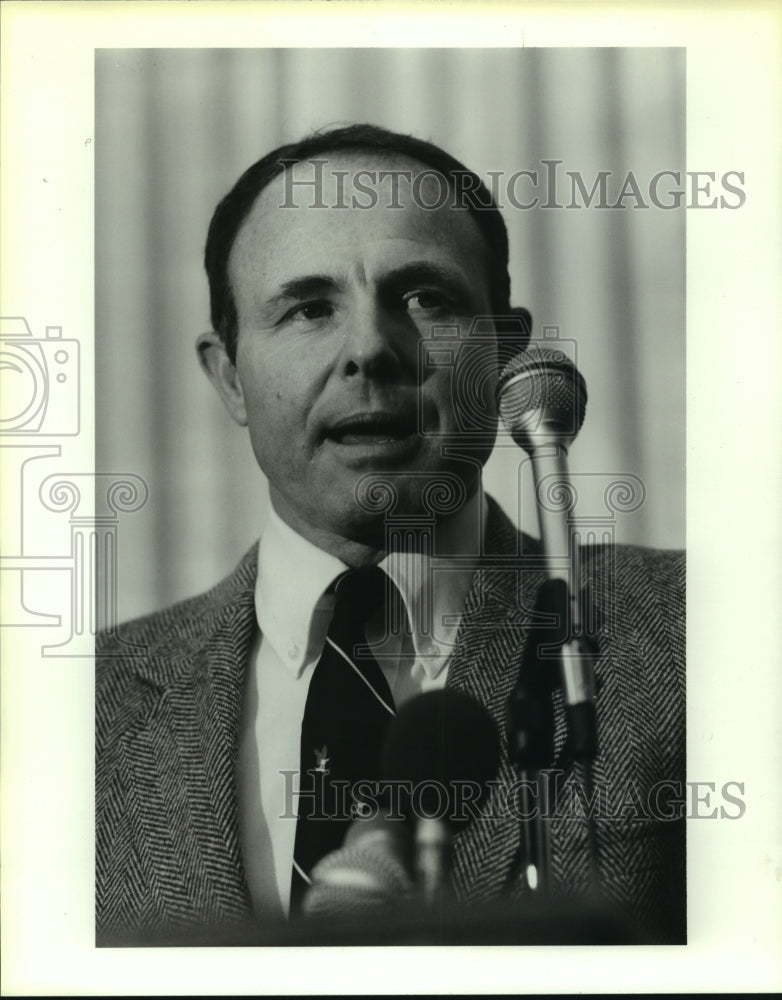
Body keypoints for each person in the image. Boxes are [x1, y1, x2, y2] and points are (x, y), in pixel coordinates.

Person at [96, 124, 685, 946]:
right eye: (308, 309)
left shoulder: (703, 630)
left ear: (505, 353)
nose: (369, 348)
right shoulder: (72, 711)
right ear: (229, 374)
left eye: (425, 298)